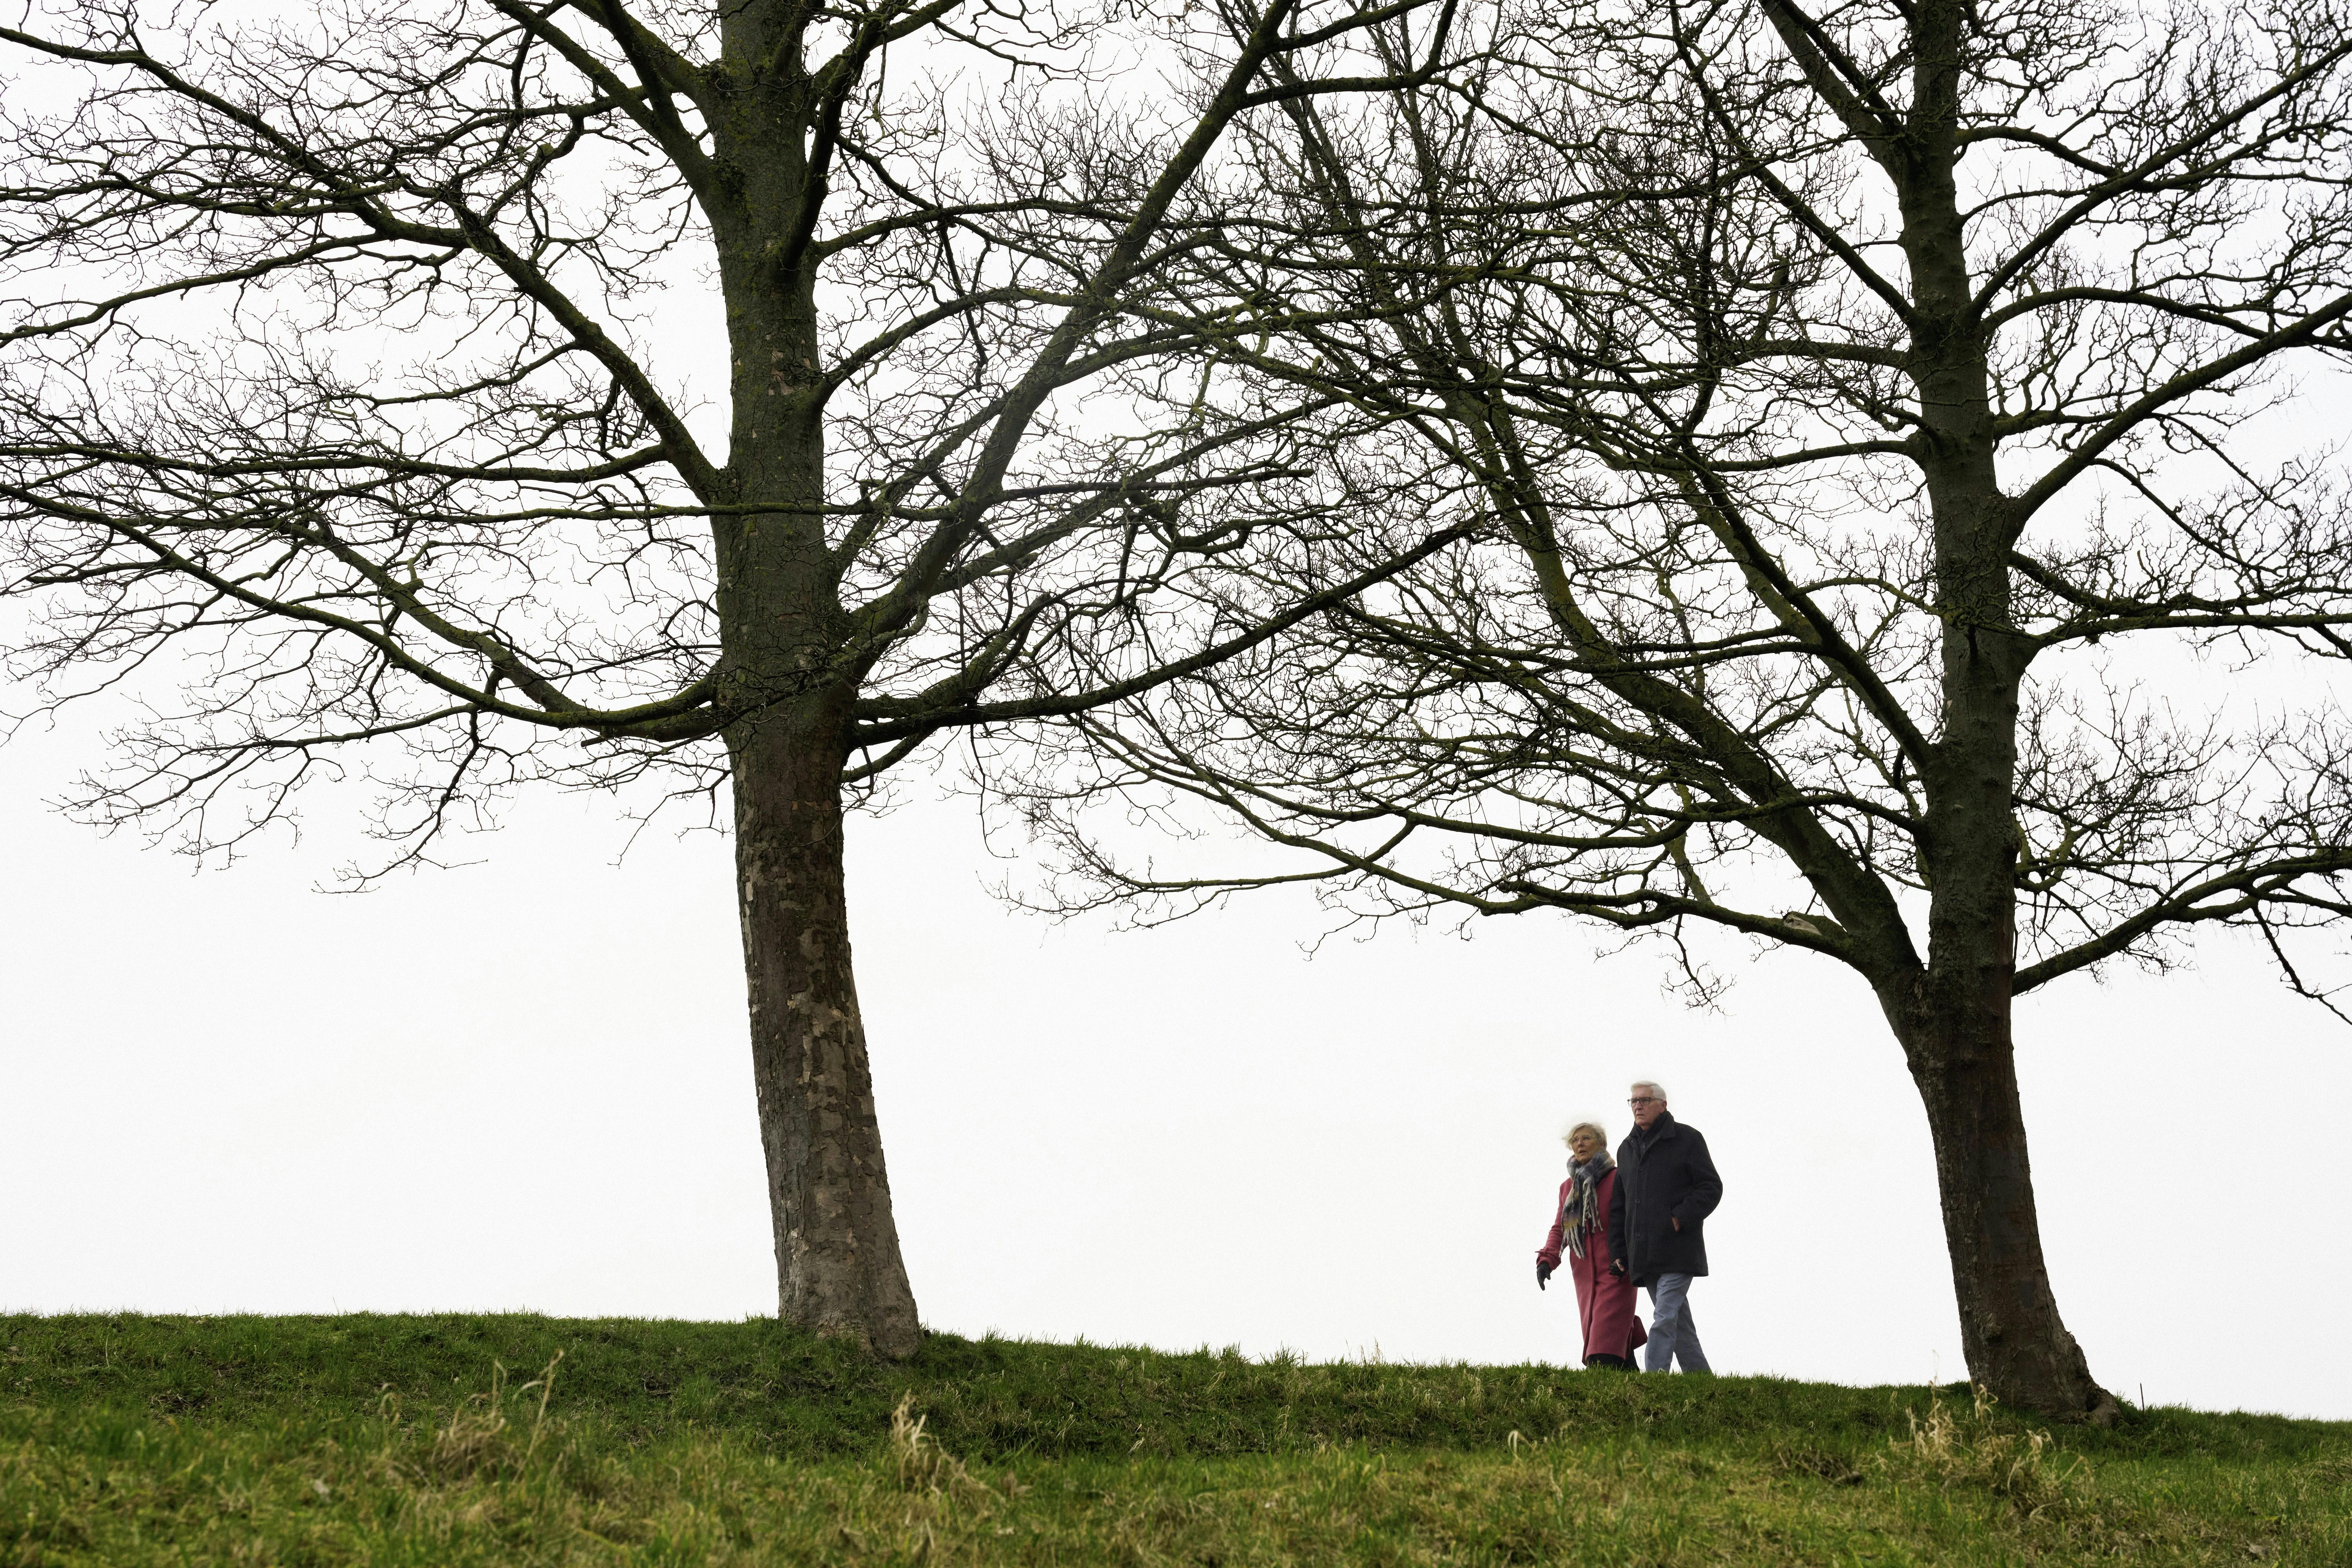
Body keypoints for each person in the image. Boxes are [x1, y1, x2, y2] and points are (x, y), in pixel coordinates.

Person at [1606, 1080, 1722, 1374]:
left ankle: (1654, 1378)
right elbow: (1620, 1207)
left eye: (1645, 1100)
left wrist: (1680, 1217)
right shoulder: (1627, 1149)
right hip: (1645, 1253)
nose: (1638, 1106)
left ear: (1663, 1105)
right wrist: (1620, 1251)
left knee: (1664, 1316)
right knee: (1677, 1321)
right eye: (1633, 1101)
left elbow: (1711, 1187)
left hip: (1679, 1248)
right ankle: (1701, 1379)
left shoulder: (1688, 1139)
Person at [1535, 1121, 1648, 1369]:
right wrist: (1547, 1260)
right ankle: (1637, 1389)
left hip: (1617, 1268)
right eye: (1575, 1141)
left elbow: (1634, 1219)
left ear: (1601, 1144)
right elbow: (1560, 1229)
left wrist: (1629, 1256)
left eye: (1585, 1138)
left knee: (1601, 1350)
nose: (1579, 1144)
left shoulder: (1618, 1177)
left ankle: (1605, 1389)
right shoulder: (1568, 1188)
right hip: (1584, 1275)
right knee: (1604, 1335)